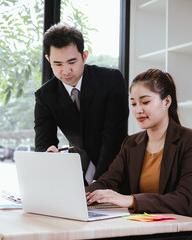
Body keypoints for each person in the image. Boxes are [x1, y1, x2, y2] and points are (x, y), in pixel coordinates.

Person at [86, 68, 192, 239]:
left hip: (183, 233)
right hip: (145, 230)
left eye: (145, 102)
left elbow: (185, 200)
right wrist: (78, 195)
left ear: (166, 101)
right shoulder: (131, 143)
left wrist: (131, 200)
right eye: (134, 103)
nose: (138, 110)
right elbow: (108, 181)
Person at [34, 23, 129, 185]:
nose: (66, 71)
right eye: (58, 64)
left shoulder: (111, 80)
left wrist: (101, 183)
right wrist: (47, 154)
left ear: (84, 56)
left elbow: (113, 137)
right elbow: (44, 142)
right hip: (78, 173)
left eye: (72, 62)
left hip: (116, 171)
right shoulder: (45, 95)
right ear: (48, 60)